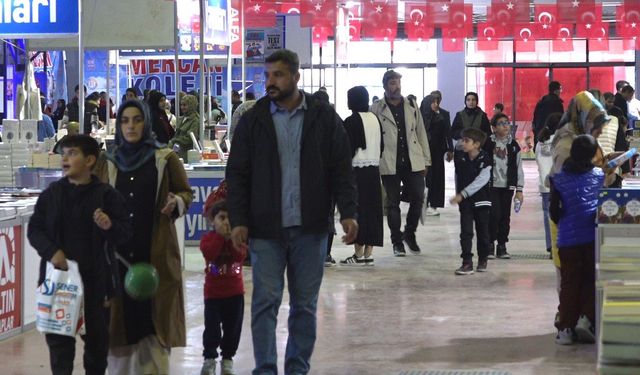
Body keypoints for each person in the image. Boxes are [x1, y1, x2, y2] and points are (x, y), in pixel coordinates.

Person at [225, 49, 358, 375]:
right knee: (264, 304)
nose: (270, 82)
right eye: (268, 75)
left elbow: (341, 168)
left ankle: (297, 369)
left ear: (296, 77)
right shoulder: (254, 120)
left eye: (278, 75)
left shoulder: (323, 118)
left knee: (304, 306)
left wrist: (348, 212)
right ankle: (266, 370)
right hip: (265, 229)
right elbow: (237, 173)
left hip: (311, 228)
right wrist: (239, 219)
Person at [94, 99, 193, 374]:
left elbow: (187, 192)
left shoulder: (165, 158)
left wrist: (177, 202)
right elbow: (95, 197)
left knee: (154, 331)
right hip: (117, 257)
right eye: (125, 120)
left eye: (137, 119)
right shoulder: (108, 160)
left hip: (156, 255)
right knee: (119, 333)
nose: (131, 126)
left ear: (146, 122)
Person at [28, 134, 132, 375]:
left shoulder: (106, 195)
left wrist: (110, 226)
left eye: (72, 153)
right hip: (58, 282)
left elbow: (126, 232)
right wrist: (52, 252)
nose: (65, 158)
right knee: (60, 349)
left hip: (96, 285)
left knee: (97, 349)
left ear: (89, 160)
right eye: (63, 153)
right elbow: (35, 229)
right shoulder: (52, 194)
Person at [549, 134, 604, 345]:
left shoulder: (558, 179)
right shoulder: (598, 175)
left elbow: (554, 212)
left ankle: (565, 330)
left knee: (569, 283)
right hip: (592, 238)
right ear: (592, 154)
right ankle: (586, 319)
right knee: (591, 280)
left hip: (567, 241)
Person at [370, 70, 431, 256]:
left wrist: (426, 161)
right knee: (392, 203)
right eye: (392, 83)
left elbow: (421, 133)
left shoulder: (411, 105)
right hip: (389, 161)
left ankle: (409, 233)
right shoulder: (376, 109)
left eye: (398, 83)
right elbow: (372, 137)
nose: (396, 87)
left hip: (413, 160)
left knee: (419, 198)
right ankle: (397, 242)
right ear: (385, 86)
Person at [200, 183, 246, 375]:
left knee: (233, 328)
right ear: (213, 221)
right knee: (211, 328)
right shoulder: (207, 240)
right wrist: (221, 237)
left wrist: (231, 238)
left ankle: (227, 358)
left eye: (229, 218)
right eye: (221, 218)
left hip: (235, 294)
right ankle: (210, 358)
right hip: (213, 294)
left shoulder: (239, 240)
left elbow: (240, 257)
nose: (226, 222)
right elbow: (210, 253)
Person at [340, 86, 384, 266]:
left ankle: (357, 254)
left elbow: (346, 149)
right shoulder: (375, 119)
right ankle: (369, 253)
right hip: (374, 171)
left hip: (357, 172)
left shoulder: (351, 121)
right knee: (373, 210)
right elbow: (381, 147)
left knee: (359, 210)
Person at [449, 127, 492, 275]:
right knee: (466, 232)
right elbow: (458, 176)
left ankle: (483, 258)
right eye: (462, 140)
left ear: (477, 144)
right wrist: (459, 194)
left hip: (482, 201)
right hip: (465, 203)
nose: (463, 143)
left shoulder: (485, 159)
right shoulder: (460, 157)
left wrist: (462, 194)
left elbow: (481, 181)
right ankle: (467, 262)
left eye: (467, 140)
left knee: (483, 232)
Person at [485, 113, 524, 259]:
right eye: (501, 123)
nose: (505, 126)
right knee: (493, 215)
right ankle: (489, 244)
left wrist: (519, 189)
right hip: (492, 185)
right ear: (494, 128)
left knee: (504, 217)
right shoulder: (488, 143)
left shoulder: (513, 145)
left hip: (508, 187)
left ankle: (502, 245)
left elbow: (519, 167)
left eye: (507, 123)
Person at [420, 94, 453, 217]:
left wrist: (450, 149)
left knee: (437, 177)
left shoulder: (442, 115)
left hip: (438, 150)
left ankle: (433, 204)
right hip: (424, 151)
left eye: (437, 101)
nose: (435, 104)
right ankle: (423, 203)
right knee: (425, 178)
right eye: (433, 101)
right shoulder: (422, 115)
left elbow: (447, 132)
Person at [535, 112, 562, 257]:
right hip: (559, 184)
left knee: (548, 216)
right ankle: (559, 245)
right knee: (560, 216)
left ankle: (551, 247)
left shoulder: (540, 142)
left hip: (544, 185)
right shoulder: (560, 143)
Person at [169, 94, 200, 161]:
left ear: (191, 105)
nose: (182, 107)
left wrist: (174, 140)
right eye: (181, 105)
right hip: (179, 153)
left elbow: (191, 138)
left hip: (189, 155)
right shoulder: (182, 118)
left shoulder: (195, 120)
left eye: (185, 105)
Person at [532, 81, 564, 146]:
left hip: (540, 137)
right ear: (556, 90)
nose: (561, 91)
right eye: (560, 89)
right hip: (552, 139)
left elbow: (534, 120)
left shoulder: (541, 102)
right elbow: (560, 121)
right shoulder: (557, 103)